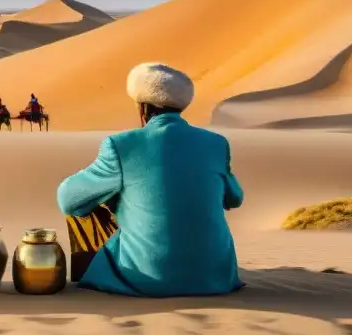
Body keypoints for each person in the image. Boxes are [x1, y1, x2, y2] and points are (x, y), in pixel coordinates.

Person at [56, 63, 244, 297]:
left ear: (141, 108)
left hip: (145, 279)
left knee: (92, 203)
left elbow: (67, 200)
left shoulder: (120, 145)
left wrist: (111, 197)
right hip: (216, 278)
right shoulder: (217, 143)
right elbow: (235, 199)